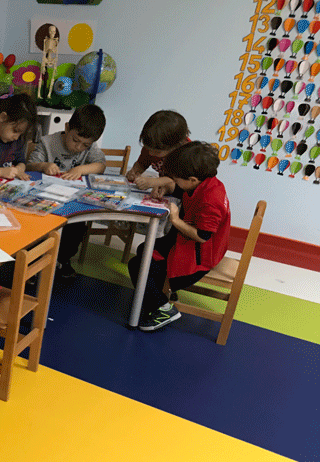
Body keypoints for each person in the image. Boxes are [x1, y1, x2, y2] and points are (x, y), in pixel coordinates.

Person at [128, 142, 230, 332]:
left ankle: (163, 309)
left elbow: (203, 236)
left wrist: (175, 219)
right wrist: (167, 190)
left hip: (198, 258)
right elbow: (183, 190)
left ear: (192, 179)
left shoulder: (211, 199)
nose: (174, 181)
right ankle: (157, 296)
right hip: (186, 244)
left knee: (138, 265)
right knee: (144, 250)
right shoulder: (205, 182)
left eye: (176, 179)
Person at [26, 104, 107, 277]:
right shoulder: (48, 142)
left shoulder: (90, 148)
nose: (78, 147)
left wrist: (80, 169)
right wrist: (43, 165)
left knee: (77, 226)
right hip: (45, 198)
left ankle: (63, 259)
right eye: (75, 140)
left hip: (72, 200)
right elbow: (30, 165)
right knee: (39, 225)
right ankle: (34, 262)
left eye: (85, 145)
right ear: (67, 128)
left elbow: (100, 166)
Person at [125, 110, 191, 199]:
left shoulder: (187, 154)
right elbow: (141, 164)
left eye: (157, 152)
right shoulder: (153, 144)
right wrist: (134, 172)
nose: (151, 153)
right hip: (166, 191)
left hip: (185, 195)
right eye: (148, 149)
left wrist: (154, 182)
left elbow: (180, 183)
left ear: (175, 146)